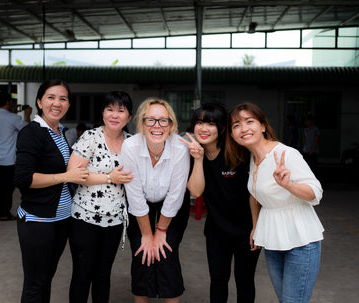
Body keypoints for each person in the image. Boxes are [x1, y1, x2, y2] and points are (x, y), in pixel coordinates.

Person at [226, 102, 324, 303]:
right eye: (236, 125)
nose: (243, 128)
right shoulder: (253, 158)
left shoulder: (285, 154)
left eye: (249, 121)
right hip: (272, 238)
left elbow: (316, 193)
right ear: (232, 135)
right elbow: (254, 195)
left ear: (263, 126)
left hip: (301, 239)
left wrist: (289, 185)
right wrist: (255, 226)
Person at [14, 79, 90, 303]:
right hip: (38, 221)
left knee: (46, 279)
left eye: (63, 99)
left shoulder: (59, 133)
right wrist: (66, 177)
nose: (57, 103)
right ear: (39, 102)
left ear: (68, 105)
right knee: (35, 285)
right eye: (51, 97)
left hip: (60, 220)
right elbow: (23, 178)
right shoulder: (32, 132)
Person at [179, 103, 261, 303]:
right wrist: (198, 160)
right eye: (199, 123)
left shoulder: (239, 153)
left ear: (222, 128)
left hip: (246, 232)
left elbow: (255, 193)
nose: (204, 128)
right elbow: (196, 191)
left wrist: (257, 228)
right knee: (218, 281)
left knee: (245, 281)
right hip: (216, 232)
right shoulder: (191, 155)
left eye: (211, 124)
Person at [119, 97, 190, 303]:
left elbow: (176, 196)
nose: (157, 126)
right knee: (143, 254)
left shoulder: (179, 147)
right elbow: (134, 195)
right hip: (140, 205)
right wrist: (147, 235)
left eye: (163, 120)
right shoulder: (130, 146)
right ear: (142, 123)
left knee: (166, 252)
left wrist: (160, 232)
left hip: (172, 206)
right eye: (151, 120)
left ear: (171, 124)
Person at [67, 91, 134, 303]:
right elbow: (73, 174)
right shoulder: (90, 137)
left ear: (129, 117)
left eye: (121, 110)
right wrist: (109, 177)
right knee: (82, 273)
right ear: (103, 113)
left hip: (115, 219)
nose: (115, 115)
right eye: (110, 109)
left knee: (103, 274)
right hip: (85, 217)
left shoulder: (132, 143)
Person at [0, 90, 28, 221]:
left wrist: (13, 113)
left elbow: (4, 126)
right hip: (9, 160)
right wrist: (27, 115)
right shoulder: (14, 118)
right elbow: (27, 130)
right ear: (8, 102)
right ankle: (5, 213)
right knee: (8, 188)